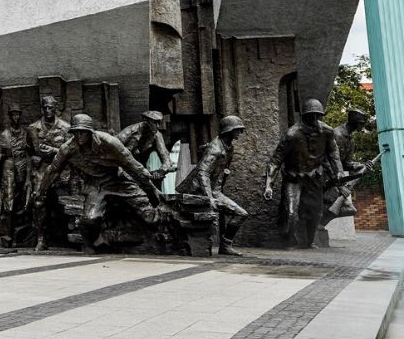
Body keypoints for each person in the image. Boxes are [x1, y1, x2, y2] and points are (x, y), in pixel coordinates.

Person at [36, 113, 162, 253]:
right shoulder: (68, 148)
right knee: (90, 219)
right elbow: (53, 170)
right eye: (76, 133)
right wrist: (41, 192)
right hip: (96, 185)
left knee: (150, 216)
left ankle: (158, 239)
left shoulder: (108, 142)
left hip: (119, 180)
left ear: (90, 132)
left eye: (83, 132)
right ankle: (95, 244)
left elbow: (132, 164)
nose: (79, 137)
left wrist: (152, 188)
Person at [264, 99, 343, 249]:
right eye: (310, 116)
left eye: (317, 116)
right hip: (294, 177)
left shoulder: (327, 131)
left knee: (315, 212)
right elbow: (275, 160)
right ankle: (290, 241)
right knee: (291, 212)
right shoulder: (292, 134)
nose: (314, 119)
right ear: (304, 116)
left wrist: (338, 171)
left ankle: (310, 241)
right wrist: (269, 185)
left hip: (315, 177)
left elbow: (333, 153)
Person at [177, 115, 248, 256]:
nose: (240, 133)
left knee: (241, 214)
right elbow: (203, 173)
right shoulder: (215, 149)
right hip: (198, 190)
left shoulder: (228, 147)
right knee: (239, 213)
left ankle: (226, 246)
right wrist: (208, 197)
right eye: (238, 130)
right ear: (229, 130)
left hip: (214, 190)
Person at [27, 95, 70, 250]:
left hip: (60, 169)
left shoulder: (65, 127)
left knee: (64, 202)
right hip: (42, 169)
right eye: (45, 107)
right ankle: (41, 239)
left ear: (55, 108)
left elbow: (71, 152)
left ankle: (68, 236)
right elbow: (28, 150)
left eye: (50, 107)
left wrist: (54, 150)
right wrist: (33, 158)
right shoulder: (32, 128)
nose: (47, 110)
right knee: (38, 202)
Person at [320, 109, 375, 228]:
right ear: (354, 121)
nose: (362, 125)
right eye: (361, 123)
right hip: (326, 178)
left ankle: (319, 224)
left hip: (336, 180)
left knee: (349, 209)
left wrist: (361, 165)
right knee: (346, 208)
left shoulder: (350, 139)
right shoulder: (337, 134)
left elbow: (346, 163)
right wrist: (339, 185)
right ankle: (318, 225)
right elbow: (326, 160)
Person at [0, 104, 30, 246]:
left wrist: (28, 176)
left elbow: (29, 154)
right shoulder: (4, 135)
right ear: (10, 116)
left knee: (22, 202)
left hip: (22, 169)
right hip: (9, 168)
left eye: (18, 114)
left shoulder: (25, 133)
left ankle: (20, 235)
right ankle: (6, 237)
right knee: (9, 202)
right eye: (13, 114)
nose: (16, 117)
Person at [117, 110, 175, 184]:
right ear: (146, 121)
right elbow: (112, 147)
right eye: (154, 122)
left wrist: (161, 171)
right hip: (122, 168)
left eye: (159, 123)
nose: (157, 126)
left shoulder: (156, 135)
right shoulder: (130, 131)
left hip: (140, 171)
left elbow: (166, 160)